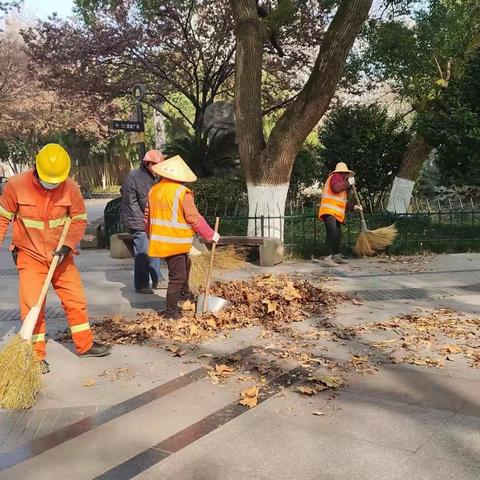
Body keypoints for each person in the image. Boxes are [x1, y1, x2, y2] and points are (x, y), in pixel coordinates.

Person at [0, 144, 111, 374]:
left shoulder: (70, 188)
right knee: (32, 306)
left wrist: (68, 246)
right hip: (29, 255)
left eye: (56, 180)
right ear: (36, 169)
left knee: (76, 300)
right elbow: (2, 219)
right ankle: (37, 355)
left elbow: (79, 219)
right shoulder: (16, 186)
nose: (52, 184)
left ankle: (85, 344)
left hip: (61, 256)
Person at [145, 155, 219, 319]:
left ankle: (184, 295)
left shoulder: (154, 190)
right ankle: (171, 311)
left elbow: (147, 218)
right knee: (177, 276)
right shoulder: (181, 192)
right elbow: (194, 218)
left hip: (160, 241)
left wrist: (150, 236)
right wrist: (210, 234)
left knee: (186, 264)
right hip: (175, 241)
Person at [120, 149, 166, 294]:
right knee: (143, 253)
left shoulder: (147, 176)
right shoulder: (142, 178)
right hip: (138, 221)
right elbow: (147, 203)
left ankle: (158, 277)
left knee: (153, 249)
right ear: (148, 164)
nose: (159, 169)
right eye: (156, 165)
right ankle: (141, 284)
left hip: (142, 219)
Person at [318, 162, 362, 266]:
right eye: (345, 174)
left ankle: (336, 256)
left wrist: (354, 207)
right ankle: (327, 258)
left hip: (335, 212)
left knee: (337, 235)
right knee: (332, 234)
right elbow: (336, 189)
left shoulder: (341, 182)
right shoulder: (335, 177)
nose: (346, 176)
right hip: (329, 211)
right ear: (341, 173)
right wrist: (348, 183)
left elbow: (341, 202)